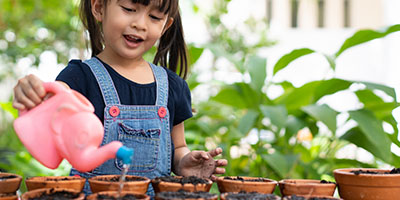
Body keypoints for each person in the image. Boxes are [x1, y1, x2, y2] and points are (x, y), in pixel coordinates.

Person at [12, 0, 227, 196]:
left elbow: (178, 147)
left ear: (166, 25)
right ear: (99, 8)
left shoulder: (173, 86)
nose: (140, 24)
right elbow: (51, 102)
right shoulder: (79, 77)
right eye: (129, 9)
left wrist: (184, 164)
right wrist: (32, 93)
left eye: (154, 17)